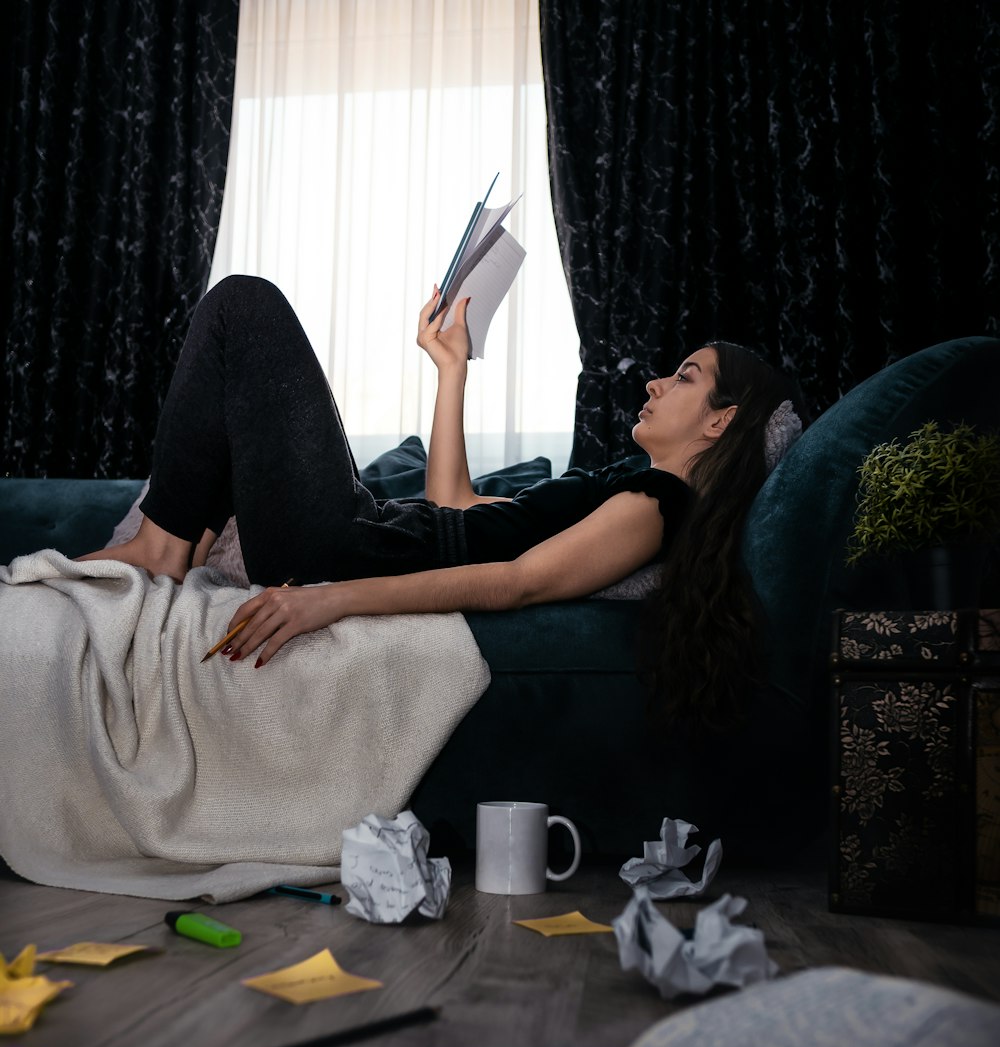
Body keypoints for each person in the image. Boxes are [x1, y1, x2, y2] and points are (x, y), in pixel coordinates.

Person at [80, 274, 805, 730]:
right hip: (376, 532)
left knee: (245, 305)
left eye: (683, 378)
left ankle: (162, 552)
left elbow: (513, 583)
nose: (654, 384)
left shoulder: (658, 503)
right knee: (239, 397)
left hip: (355, 549)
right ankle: (164, 546)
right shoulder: (621, 483)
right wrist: (450, 368)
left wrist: (328, 600)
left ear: (721, 421)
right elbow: (452, 501)